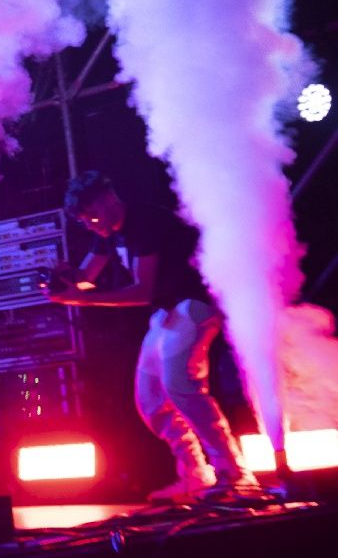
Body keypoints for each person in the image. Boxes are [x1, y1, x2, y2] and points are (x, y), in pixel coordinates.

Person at [46, 171, 261, 503]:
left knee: (181, 385)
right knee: (151, 399)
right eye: (84, 221)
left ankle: (233, 473)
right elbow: (87, 277)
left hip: (192, 304)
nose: (90, 225)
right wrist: (65, 281)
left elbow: (142, 291)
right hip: (167, 313)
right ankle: (194, 475)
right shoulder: (107, 231)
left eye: (91, 216)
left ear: (108, 199)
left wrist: (83, 298)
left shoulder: (145, 221)